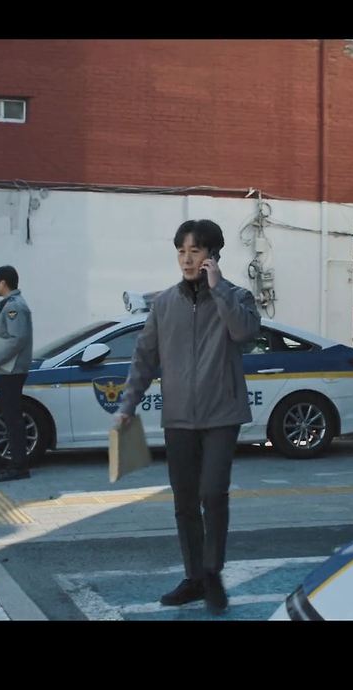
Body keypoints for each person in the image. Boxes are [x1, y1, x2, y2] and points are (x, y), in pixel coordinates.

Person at [113, 219, 260, 615]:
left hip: (221, 414)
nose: (187, 259)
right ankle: (194, 577)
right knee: (184, 500)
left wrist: (219, 289)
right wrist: (127, 406)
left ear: (212, 255)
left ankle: (212, 571)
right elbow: (144, 358)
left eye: (195, 251)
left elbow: (245, 333)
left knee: (213, 493)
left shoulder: (237, 296)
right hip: (178, 417)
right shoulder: (164, 304)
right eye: (181, 251)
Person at [0, 265, 33, 483]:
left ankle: (19, 465)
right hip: (10, 368)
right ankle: (16, 461)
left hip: (11, 369)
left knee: (13, 418)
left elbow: (17, 338)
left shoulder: (14, 307)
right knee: (11, 416)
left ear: (2, 282)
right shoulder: (12, 305)